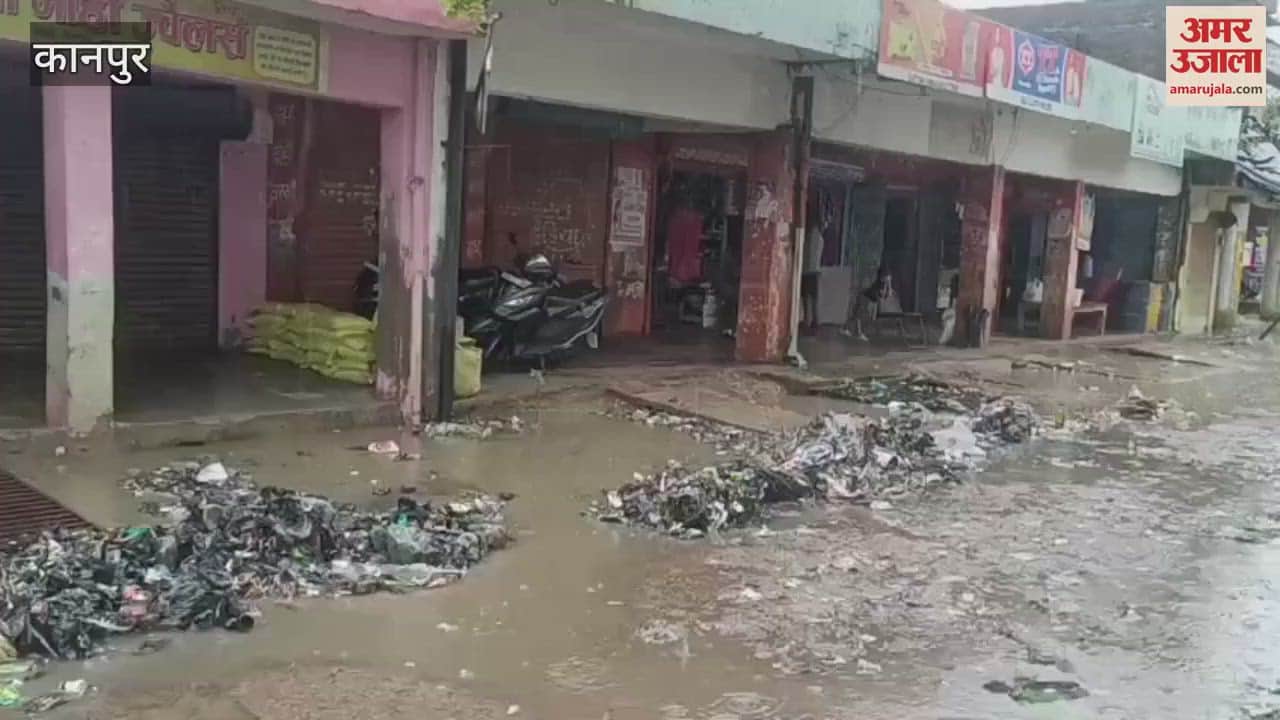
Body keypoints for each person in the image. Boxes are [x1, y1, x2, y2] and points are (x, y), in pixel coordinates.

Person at [843, 266, 893, 341]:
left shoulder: (883, 284)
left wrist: (889, 285)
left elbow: (886, 296)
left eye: (889, 277)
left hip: (867, 298)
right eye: (887, 277)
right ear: (883, 276)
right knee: (860, 315)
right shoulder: (879, 283)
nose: (889, 278)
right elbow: (883, 295)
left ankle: (846, 329)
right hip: (865, 297)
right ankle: (858, 333)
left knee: (857, 314)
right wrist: (888, 285)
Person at [801, 216, 828, 330]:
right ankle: (815, 322)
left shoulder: (808, 237)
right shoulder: (820, 239)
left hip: (806, 272)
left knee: (807, 299)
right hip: (814, 272)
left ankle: (807, 321)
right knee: (814, 299)